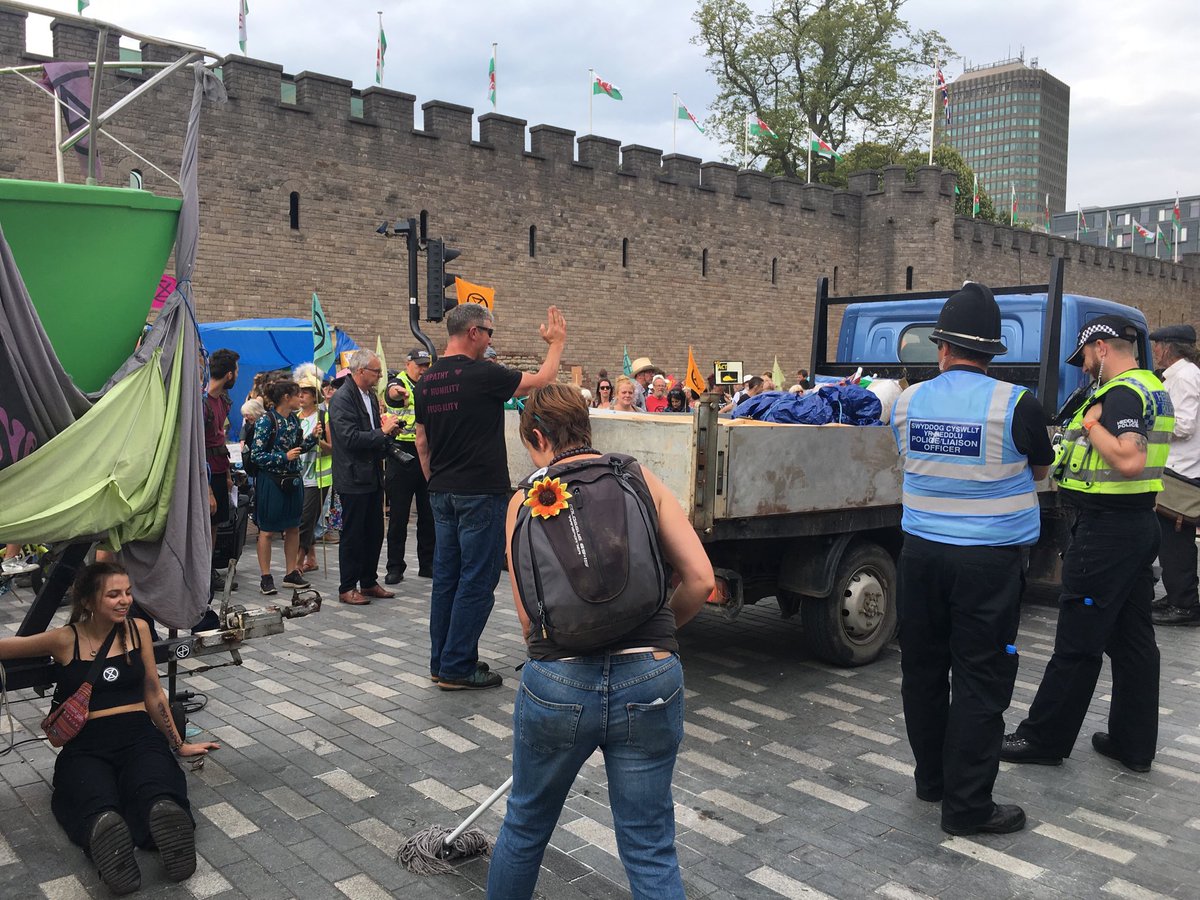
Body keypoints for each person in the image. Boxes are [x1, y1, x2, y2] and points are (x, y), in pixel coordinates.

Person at [486, 384, 714, 900]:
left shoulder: (524, 498)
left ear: (538, 436)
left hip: (559, 681)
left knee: (524, 828)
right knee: (650, 844)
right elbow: (700, 579)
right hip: (651, 675)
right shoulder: (637, 477)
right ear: (587, 427)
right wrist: (660, 634)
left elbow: (529, 622)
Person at [890, 283, 1053, 837]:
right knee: (981, 679)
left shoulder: (907, 402)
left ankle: (931, 780)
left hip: (921, 556)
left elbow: (910, 458)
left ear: (942, 348)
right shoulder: (1016, 404)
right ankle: (966, 807)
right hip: (989, 562)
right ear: (991, 352)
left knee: (924, 669)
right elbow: (1038, 470)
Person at [1002, 315, 1171, 774]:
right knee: (1134, 639)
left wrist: (1094, 425)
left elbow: (1130, 459)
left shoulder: (1119, 395)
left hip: (1104, 532)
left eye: (1083, 359)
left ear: (1101, 348)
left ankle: (1043, 738)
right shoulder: (1151, 386)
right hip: (1135, 525)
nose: (1081, 369)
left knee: (1078, 640)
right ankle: (1132, 744)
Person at [0, 562, 219, 894]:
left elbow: (152, 692)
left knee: (156, 783)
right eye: (114, 594)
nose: (125, 600)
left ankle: (163, 824)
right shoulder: (64, 639)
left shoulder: (138, 630)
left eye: (128, 593)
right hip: (86, 744)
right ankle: (105, 834)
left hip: (137, 734)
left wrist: (178, 744)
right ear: (88, 601)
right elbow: (7, 648)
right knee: (91, 795)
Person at [414, 303, 566, 690]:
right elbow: (543, 380)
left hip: (442, 493)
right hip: (479, 492)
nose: (490, 341)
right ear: (473, 333)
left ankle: (441, 661)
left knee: (446, 579)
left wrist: (437, 481)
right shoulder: (481, 373)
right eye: (490, 333)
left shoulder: (427, 380)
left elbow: (422, 441)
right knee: (477, 581)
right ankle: (458, 666)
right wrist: (556, 342)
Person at [329, 350, 401, 605]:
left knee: (374, 531)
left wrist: (387, 432)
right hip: (352, 476)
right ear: (360, 371)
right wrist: (381, 432)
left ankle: (368, 581)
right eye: (376, 372)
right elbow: (349, 438)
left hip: (371, 473)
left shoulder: (369, 396)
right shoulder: (342, 399)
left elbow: (372, 432)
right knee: (353, 534)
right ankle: (347, 586)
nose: (379, 376)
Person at [1149, 324, 1200, 626]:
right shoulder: (1182, 376)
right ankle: (1178, 595)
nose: (1154, 350)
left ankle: (1184, 605)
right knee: (1170, 540)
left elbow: (1183, 425)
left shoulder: (1184, 378)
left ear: (1169, 347)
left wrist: (1149, 417)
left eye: (1156, 345)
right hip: (1178, 469)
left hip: (1181, 473)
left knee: (1175, 540)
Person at [250, 380, 320, 595]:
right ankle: (265, 577)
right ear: (285, 398)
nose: (301, 399)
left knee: (293, 528)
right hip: (271, 481)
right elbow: (256, 455)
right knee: (268, 531)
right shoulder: (266, 421)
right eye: (297, 395)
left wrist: (312, 439)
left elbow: (297, 448)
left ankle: (291, 573)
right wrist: (283, 456)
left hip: (293, 480)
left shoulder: (293, 420)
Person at [383, 348, 435, 585]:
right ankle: (395, 566)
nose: (423, 369)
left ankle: (428, 564)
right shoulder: (398, 382)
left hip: (425, 453)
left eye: (426, 365)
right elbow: (392, 393)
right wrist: (397, 393)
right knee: (399, 516)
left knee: (428, 514)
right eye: (420, 365)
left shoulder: (430, 384)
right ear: (408, 364)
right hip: (401, 454)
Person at [203, 349, 239, 583]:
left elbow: (220, 440)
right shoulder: (202, 403)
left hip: (218, 469)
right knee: (205, 525)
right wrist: (207, 490)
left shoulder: (223, 401)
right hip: (204, 474)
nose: (236, 374)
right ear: (229, 374)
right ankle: (200, 572)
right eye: (235, 370)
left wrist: (226, 474)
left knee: (215, 524)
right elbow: (196, 448)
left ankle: (208, 570)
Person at [295, 377, 328, 573]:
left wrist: (319, 441)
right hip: (298, 475)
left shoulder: (323, 417)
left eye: (305, 392)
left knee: (305, 521)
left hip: (317, 476)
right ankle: (312, 558)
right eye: (298, 392)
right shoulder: (296, 418)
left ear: (315, 396)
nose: (300, 396)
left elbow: (334, 448)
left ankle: (298, 562)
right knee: (306, 516)